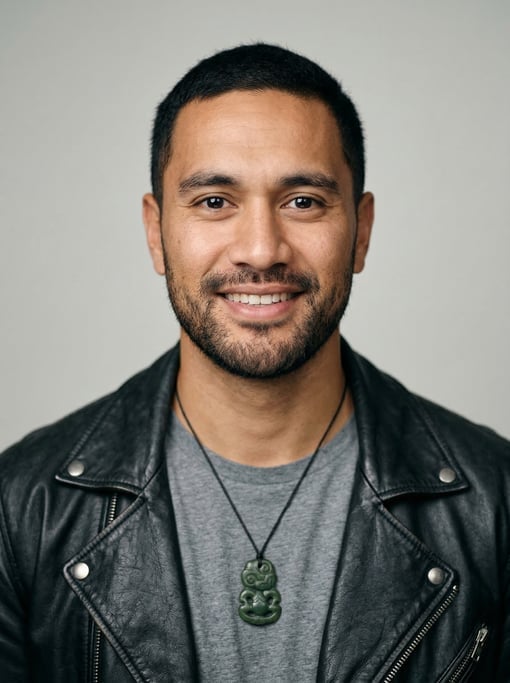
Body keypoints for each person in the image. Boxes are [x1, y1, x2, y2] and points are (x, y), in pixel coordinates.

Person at [0, 43, 508, 682]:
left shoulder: (497, 503)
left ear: (363, 230)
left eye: (304, 201)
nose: (262, 250)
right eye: (214, 201)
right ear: (157, 233)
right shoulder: (20, 508)